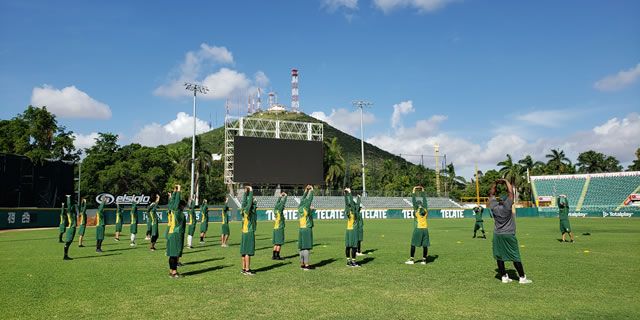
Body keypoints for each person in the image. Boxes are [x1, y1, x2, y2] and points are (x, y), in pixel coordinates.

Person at [489, 179, 532, 284]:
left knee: (500, 256)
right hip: (508, 234)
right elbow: (511, 193)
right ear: (506, 201)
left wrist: (495, 183)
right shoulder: (507, 207)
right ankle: (522, 277)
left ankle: (504, 276)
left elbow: (491, 193)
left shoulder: (494, 206)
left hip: (497, 234)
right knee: (515, 256)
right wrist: (505, 181)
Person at [405, 186, 430, 265]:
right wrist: (423, 191)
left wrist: (413, 191)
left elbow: (413, 200)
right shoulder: (425, 209)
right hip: (425, 229)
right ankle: (424, 260)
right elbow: (425, 200)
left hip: (418, 229)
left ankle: (412, 260)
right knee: (425, 245)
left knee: (413, 244)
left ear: (417, 205)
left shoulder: (416, 210)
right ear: (422, 204)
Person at [166, 185, 184, 278]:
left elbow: (172, 201)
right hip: (175, 234)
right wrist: (178, 191)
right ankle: (174, 272)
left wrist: (174, 193)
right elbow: (176, 202)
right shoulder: (177, 211)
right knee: (174, 255)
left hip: (170, 233)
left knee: (171, 255)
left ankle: (171, 271)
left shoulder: (171, 208)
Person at [240, 186, 257, 275]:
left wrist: (245, 193)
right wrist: (251, 191)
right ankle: (247, 269)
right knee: (248, 252)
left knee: (243, 252)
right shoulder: (247, 209)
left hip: (244, 232)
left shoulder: (243, 208)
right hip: (248, 232)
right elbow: (249, 203)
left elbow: (244, 202)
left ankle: (243, 268)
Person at [298, 185, 315, 270]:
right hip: (307, 229)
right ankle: (307, 265)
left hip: (301, 228)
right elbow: (310, 199)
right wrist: (311, 190)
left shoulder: (300, 207)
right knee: (306, 247)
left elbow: (303, 199)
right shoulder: (306, 206)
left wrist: (306, 191)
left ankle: (302, 264)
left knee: (301, 247)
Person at [344, 188, 360, 267]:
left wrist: (345, 195)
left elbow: (346, 203)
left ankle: (348, 261)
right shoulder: (354, 211)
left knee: (347, 246)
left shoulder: (347, 211)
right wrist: (349, 193)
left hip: (348, 230)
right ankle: (353, 262)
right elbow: (354, 205)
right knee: (354, 247)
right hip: (353, 231)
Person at [272, 192, 287, 260]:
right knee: (279, 243)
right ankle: (277, 256)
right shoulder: (280, 211)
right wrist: (285, 196)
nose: (283, 207)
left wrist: (280, 197)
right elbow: (282, 203)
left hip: (275, 227)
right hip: (279, 228)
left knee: (276, 243)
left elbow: (277, 204)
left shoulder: (275, 209)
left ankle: (274, 256)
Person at [63, 195, 76, 260]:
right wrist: (68, 198)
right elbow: (69, 205)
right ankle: (65, 256)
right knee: (68, 242)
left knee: (69, 242)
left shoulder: (71, 212)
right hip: (71, 228)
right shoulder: (70, 212)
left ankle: (66, 255)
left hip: (71, 228)